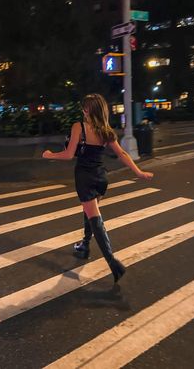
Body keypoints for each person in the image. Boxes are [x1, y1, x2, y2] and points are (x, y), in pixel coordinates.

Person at [43, 94, 153, 283]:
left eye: (84, 108)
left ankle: (112, 262)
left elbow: (69, 154)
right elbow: (122, 153)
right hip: (101, 177)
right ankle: (84, 245)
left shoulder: (79, 127)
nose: (82, 111)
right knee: (89, 212)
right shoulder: (106, 131)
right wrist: (138, 171)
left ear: (88, 109)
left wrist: (50, 154)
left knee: (94, 218)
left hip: (85, 177)